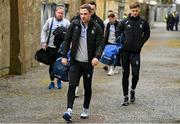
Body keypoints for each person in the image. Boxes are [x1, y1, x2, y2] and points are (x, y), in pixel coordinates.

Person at [61, 4, 104, 122]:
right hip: (75, 61)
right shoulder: (74, 25)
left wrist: (97, 57)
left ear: (90, 14)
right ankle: (69, 110)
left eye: (85, 14)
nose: (83, 16)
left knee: (87, 86)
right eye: (81, 14)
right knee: (72, 85)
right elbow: (67, 40)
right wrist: (64, 56)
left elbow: (100, 43)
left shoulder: (96, 27)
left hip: (88, 63)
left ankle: (85, 109)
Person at [116, 2, 150, 106]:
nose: (134, 12)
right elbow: (117, 32)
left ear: (139, 10)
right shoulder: (124, 22)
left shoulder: (143, 22)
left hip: (136, 53)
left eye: (136, 10)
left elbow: (147, 34)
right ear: (130, 11)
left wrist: (141, 43)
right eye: (133, 11)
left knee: (135, 75)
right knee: (125, 75)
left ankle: (132, 90)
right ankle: (125, 97)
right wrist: (121, 43)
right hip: (125, 53)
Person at [41, 7, 70, 89]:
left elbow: (71, 34)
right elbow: (44, 30)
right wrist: (43, 42)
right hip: (51, 46)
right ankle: (52, 82)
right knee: (52, 64)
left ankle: (59, 79)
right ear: (56, 13)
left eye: (62, 13)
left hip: (62, 48)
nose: (60, 15)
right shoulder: (50, 21)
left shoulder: (67, 22)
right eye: (59, 13)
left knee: (61, 64)